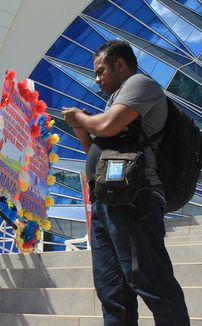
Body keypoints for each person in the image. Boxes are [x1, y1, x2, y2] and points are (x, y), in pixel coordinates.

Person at [62, 40, 190, 326]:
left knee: (150, 280)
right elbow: (98, 152)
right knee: (112, 293)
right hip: (106, 203)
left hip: (136, 200)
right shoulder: (114, 102)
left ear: (121, 64)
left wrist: (82, 116)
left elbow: (108, 126)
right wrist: (83, 131)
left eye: (100, 71)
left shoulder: (140, 84)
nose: (97, 80)